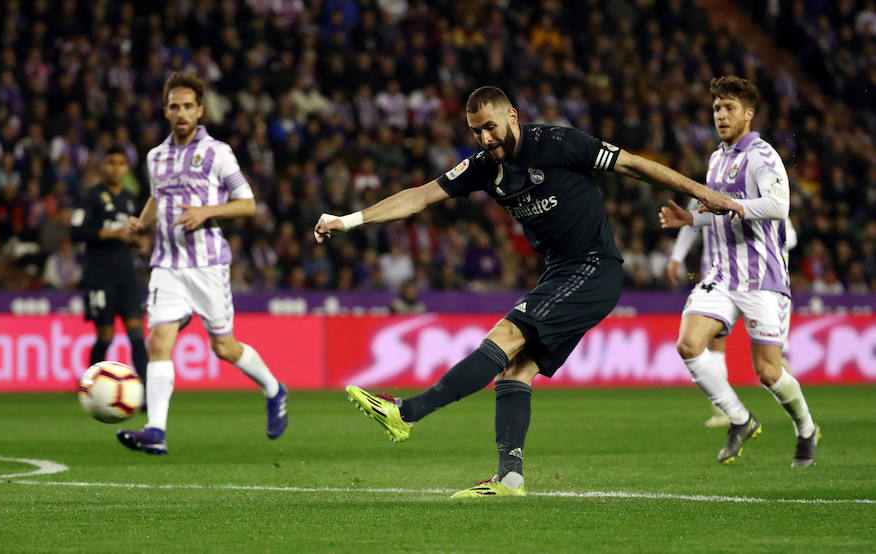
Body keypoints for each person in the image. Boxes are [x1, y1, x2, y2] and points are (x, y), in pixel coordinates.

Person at [315, 86, 743, 497]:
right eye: (476, 131)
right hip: (561, 272)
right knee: (514, 371)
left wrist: (705, 194)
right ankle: (510, 479)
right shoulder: (483, 166)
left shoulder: (557, 142)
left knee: (504, 336)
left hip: (593, 267)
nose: (485, 138)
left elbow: (634, 165)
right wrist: (349, 220)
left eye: (491, 127)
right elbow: (420, 197)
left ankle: (405, 413)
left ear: (512, 117)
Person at [117, 73, 287, 455]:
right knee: (158, 340)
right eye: (174, 106)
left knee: (224, 348)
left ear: (200, 110)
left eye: (188, 106)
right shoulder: (155, 156)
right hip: (166, 263)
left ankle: (274, 389)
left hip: (207, 265)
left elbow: (247, 203)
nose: (181, 113)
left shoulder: (219, 153)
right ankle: (155, 430)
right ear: (166, 111)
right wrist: (142, 222)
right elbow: (157, 197)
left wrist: (206, 212)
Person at [659, 76, 819, 467]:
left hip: (761, 278)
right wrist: (692, 220)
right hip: (720, 276)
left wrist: (732, 204)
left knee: (768, 372)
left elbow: (779, 207)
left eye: (729, 108)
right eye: (716, 108)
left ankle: (806, 428)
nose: (720, 115)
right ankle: (739, 418)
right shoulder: (717, 158)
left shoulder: (763, 156)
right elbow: (718, 213)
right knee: (688, 344)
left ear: (748, 114)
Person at [667, 199, 798, 428]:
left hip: (759, 280)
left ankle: (795, 410)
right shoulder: (701, 192)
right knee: (714, 343)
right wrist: (677, 256)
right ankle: (722, 411)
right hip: (718, 277)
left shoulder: (757, 192)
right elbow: (692, 223)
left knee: (771, 356)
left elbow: (790, 236)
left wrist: (767, 236)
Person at [70, 145, 148, 382]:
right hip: (99, 274)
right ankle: (91, 385)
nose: (116, 168)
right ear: (103, 166)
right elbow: (76, 231)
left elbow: (130, 232)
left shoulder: (129, 199)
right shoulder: (90, 197)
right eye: (111, 162)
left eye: (121, 163)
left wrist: (137, 241)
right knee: (105, 336)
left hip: (126, 275)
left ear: (127, 168)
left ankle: (146, 393)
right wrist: (112, 234)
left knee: (136, 332)